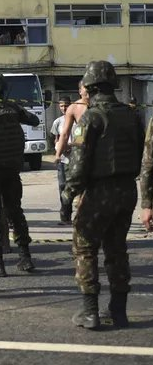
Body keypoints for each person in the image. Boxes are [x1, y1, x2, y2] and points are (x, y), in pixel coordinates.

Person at [63, 61, 143, 330]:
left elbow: (78, 162)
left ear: (91, 87)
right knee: (117, 249)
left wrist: (68, 194)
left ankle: (90, 312)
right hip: (127, 190)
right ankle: (118, 311)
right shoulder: (131, 115)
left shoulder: (91, 117)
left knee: (85, 247)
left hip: (100, 191)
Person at [0, 71, 41, 277]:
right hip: (12, 169)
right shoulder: (13, 108)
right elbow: (33, 120)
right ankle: (25, 258)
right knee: (15, 212)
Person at [50, 96, 73, 224]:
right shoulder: (57, 122)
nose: (64, 108)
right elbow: (56, 138)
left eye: (66, 105)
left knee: (77, 188)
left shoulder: (78, 119)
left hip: (76, 159)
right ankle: (65, 216)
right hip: (62, 160)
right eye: (62, 106)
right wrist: (58, 149)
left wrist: (71, 146)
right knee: (62, 187)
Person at [55, 81, 89, 160]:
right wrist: (58, 154)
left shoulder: (104, 105)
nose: (89, 91)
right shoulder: (74, 108)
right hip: (81, 148)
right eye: (86, 88)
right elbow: (65, 133)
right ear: (80, 91)